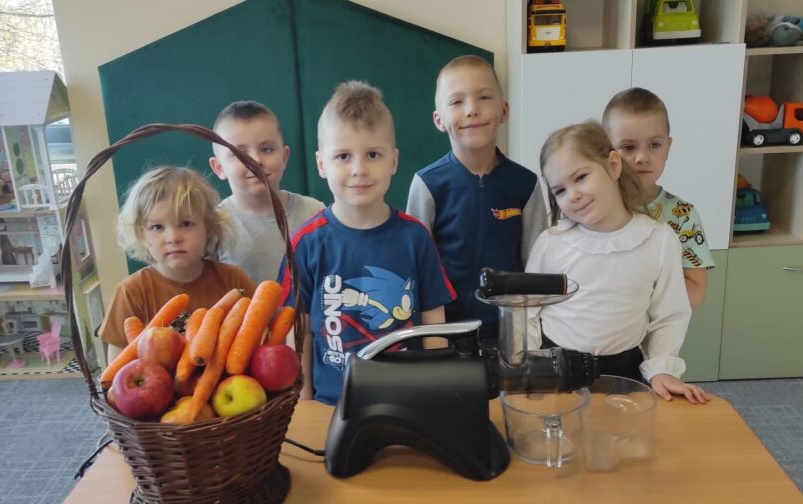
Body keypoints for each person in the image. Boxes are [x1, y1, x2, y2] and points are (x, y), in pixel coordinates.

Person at [280, 81, 455, 405]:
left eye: (373, 154)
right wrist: (303, 405)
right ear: (321, 164)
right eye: (343, 156)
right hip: (331, 406)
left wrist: (437, 397)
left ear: (393, 161)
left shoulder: (415, 237)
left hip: (408, 401)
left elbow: (434, 323)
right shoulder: (305, 243)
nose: (359, 169)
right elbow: (298, 332)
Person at [527, 121, 709, 404]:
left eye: (581, 177)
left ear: (613, 165)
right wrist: (529, 365)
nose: (573, 195)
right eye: (560, 191)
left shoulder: (658, 240)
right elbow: (527, 310)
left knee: (624, 431)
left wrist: (662, 369)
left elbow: (669, 314)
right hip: (556, 371)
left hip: (625, 372)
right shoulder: (551, 243)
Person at [406, 55, 547, 340]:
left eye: (484, 97)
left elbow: (537, 266)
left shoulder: (526, 184)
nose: (472, 110)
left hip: (508, 333)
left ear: (504, 110)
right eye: (457, 101)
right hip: (442, 333)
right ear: (439, 120)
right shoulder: (427, 184)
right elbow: (413, 266)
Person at [99, 166, 256, 361]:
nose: (173, 238)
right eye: (157, 227)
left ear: (209, 227)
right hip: (151, 381)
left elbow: (261, 339)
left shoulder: (233, 281)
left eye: (186, 224)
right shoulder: (131, 292)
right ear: (141, 234)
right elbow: (115, 368)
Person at [602, 87, 714, 308]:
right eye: (628, 147)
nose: (642, 157)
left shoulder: (684, 216)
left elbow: (697, 292)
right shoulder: (594, 209)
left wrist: (639, 292)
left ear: (668, 148)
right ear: (607, 152)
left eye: (654, 145)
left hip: (657, 328)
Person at [209, 101, 325, 283]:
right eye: (240, 154)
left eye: (266, 149)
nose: (256, 160)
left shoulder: (315, 213)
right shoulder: (213, 226)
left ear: (284, 157)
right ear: (219, 167)